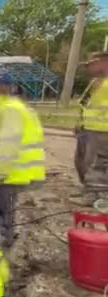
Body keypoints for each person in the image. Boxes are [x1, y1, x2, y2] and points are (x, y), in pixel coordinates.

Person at [0, 76, 45, 246]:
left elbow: (7, 148)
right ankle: (0, 243)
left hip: (7, 176)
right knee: (1, 214)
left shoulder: (9, 111)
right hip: (10, 174)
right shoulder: (10, 107)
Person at [70, 52, 108, 206]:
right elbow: (84, 104)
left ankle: (95, 196)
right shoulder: (95, 82)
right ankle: (87, 189)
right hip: (87, 129)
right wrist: (79, 124)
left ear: (103, 62)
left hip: (103, 131)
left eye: (91, 64)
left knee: (95, 164)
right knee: (80, 161)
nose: (88, 68)